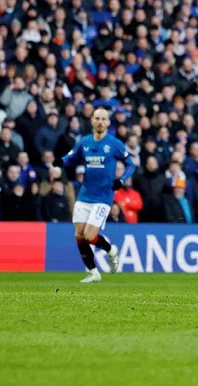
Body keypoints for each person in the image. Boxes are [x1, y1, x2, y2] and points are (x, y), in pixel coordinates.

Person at [61, 108, 137, 283]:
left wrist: (122, 179)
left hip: (103, 196)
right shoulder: (84, 142)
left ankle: (111, 250)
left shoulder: (114, 143)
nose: (100, 121)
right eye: (97, 118)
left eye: (104, 119)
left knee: (88, 235)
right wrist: (60, 161)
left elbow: (131, 164)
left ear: (108, 122)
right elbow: (70, 157)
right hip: (85, 194)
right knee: (79, 235)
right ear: (92, 121)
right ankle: (94, 272)